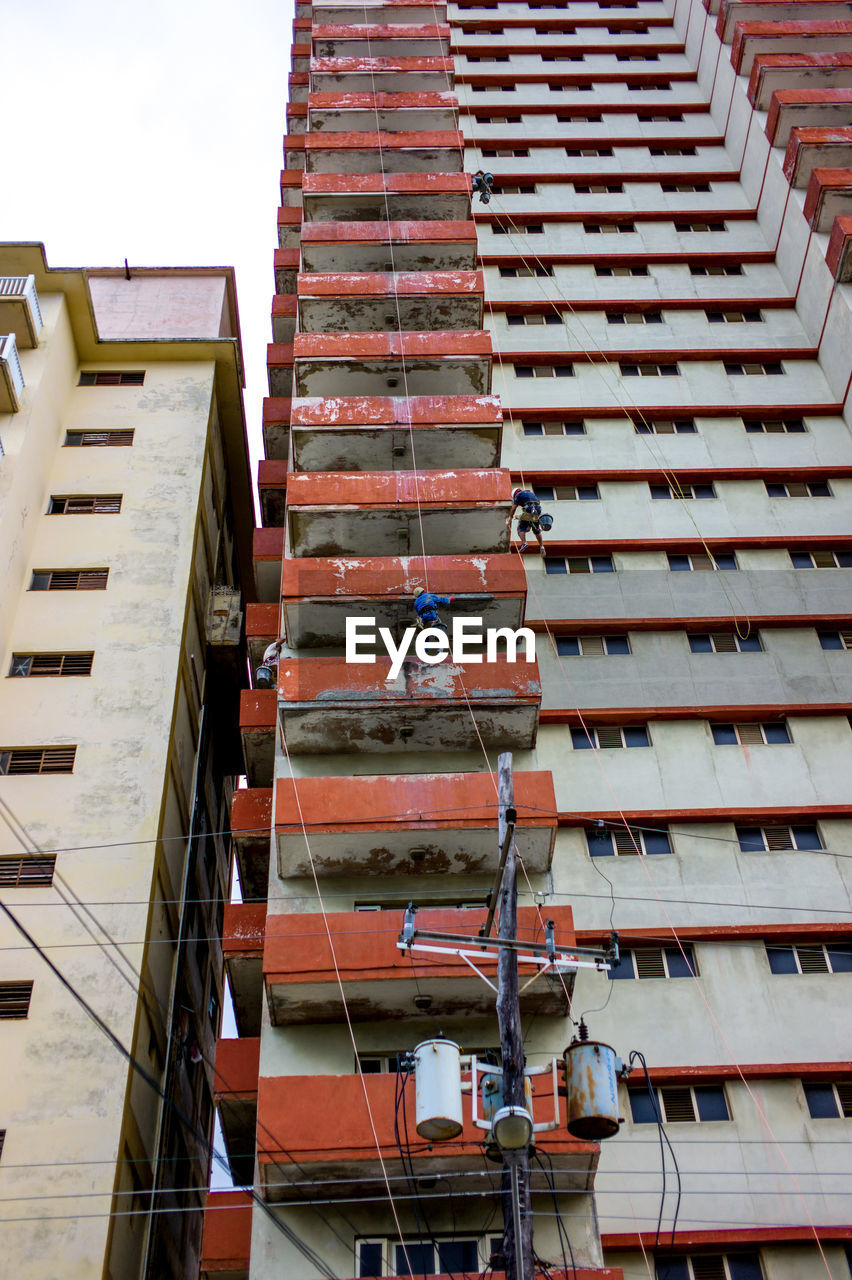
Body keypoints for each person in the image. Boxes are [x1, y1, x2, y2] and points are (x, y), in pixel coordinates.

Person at [507, 487, 547, 555]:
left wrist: (510, 517)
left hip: (529, 510)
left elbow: (514, 508)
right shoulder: (530, 493)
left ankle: (524, 543)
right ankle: (542, 547)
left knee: (521, 528)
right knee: (536, 530)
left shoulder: (518, 495)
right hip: (537, 510)